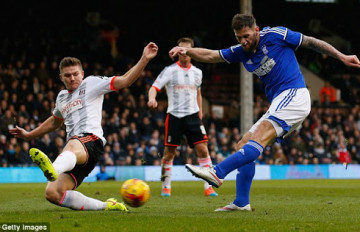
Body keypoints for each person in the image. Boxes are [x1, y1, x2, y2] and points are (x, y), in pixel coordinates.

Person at [169, 14, 360, 211]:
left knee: (257, 138)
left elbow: (310, 42)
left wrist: (342, 56)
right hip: (279, 101)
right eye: (238, 37)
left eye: (246, 36)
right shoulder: (241, 51)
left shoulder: (276, 34)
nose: (243, 41)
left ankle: (217, 172)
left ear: (256, 30)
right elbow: (212, 55)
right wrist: (188, 50)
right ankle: (242, 202)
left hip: (294, 94)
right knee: (244, 143)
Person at [9, 42, 158, 211]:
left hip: (90, 141)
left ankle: (54, 168)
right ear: (61, 78)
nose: (72, 78)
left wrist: (144, 59)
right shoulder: (61, 97)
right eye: (67, 75)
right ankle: (107, 206)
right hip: (75, 154)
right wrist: (29, 135)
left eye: (75, 74)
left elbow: (124, 81)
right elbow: (55, 121)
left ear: (82, 74)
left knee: (72, 144)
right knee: (53, 193)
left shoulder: (91, 83)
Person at [148, 37, 218, 197]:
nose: (184, 53)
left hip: (193, 116)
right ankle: (166, 187)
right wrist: (152, 98)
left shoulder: (197, 73)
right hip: (174, 116)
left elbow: (198, 93)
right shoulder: (169, 70)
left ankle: (209, 187)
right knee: (169, 153)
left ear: (192, 52)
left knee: (203, 150)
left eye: (186, 50)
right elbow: (154, 87)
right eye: (180, 49)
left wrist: (200, 111)